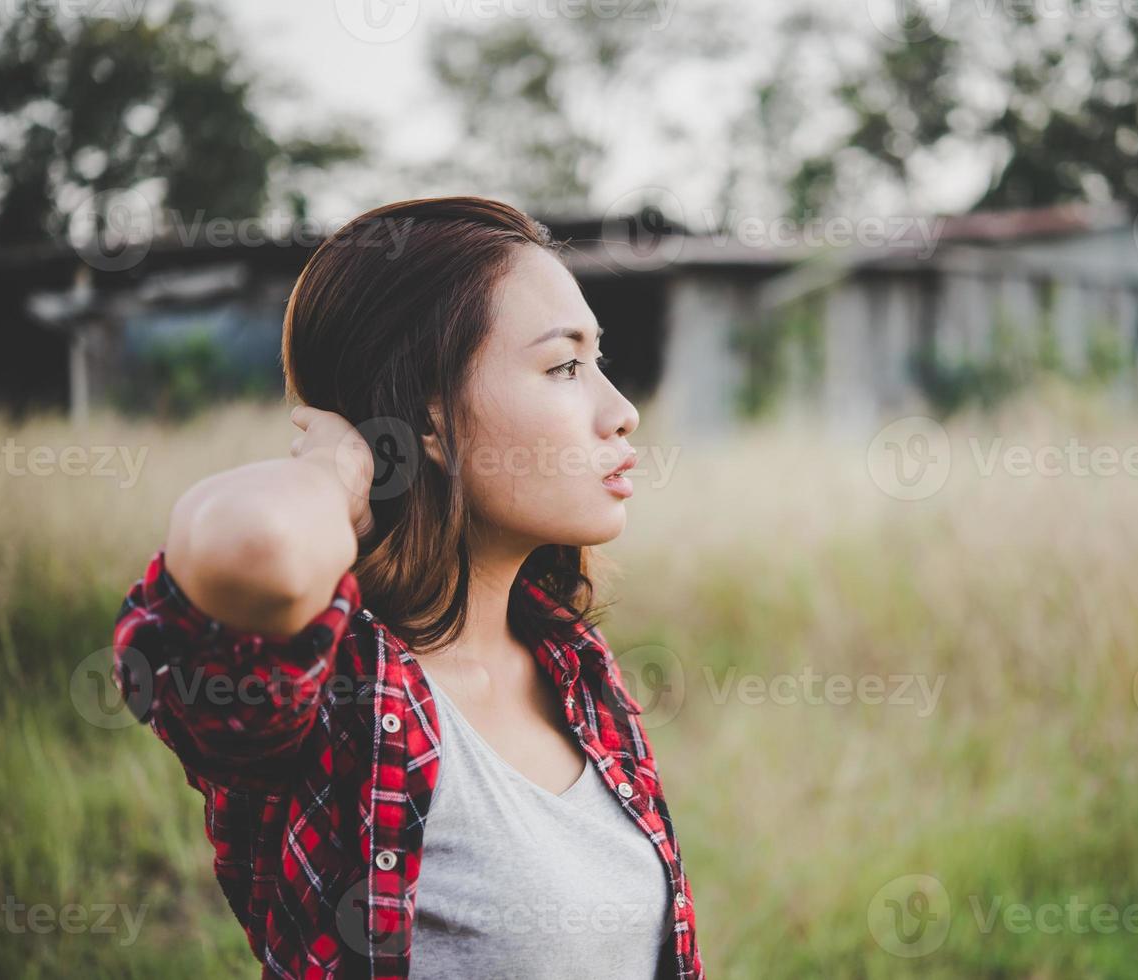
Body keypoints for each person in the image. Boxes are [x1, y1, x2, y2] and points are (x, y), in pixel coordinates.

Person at [110, 196, 705, 979]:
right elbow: (255, 546)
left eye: (597, 360)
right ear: (425, 417)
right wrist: (337, 469)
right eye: (563, 366)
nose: (621, 413)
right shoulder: (338, 696)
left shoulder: (573, 662)